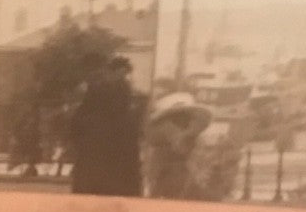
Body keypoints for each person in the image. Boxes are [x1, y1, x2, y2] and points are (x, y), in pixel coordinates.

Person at [70, 56, 144, 196]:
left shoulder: (110, 90)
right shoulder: (108, 90)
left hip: (102, 143)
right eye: (121, 72)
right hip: (105, 143)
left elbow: (79, 120)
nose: (123, 76)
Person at [144, 92, 214, 199]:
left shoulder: (193, 141)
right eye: (178, 119)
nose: (185, 123)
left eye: (187, 119)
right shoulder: (165, 133)